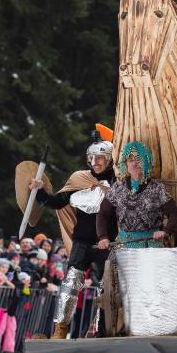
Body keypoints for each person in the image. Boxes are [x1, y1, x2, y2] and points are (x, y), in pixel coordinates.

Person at [28, 126, 118, 339]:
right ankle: (60, 329)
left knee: (108, 286)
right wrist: (40, 190)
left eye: (100, 158)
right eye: (92, 158)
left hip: (109, 242)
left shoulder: (119, 182)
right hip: (83, 241)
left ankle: (104, 329)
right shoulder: (80, 179)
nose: (96, 162)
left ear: (109, 159)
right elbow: (55, 202)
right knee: (70, 282)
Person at [97, 140, 177, 250]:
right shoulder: (118, 188)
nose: (135, 163)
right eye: (131, 160)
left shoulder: (157, 187)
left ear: (146, 162)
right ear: (126, 164)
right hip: (125, 245)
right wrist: (103, 237)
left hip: (152, 246)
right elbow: (102, 213)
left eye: (138, 159)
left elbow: (174, 214)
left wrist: (166, 231)